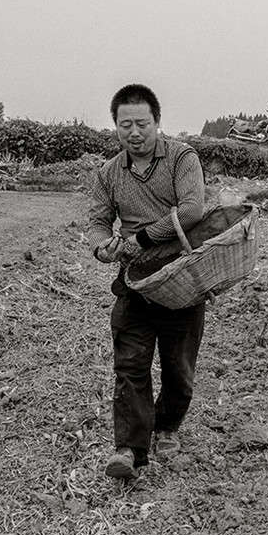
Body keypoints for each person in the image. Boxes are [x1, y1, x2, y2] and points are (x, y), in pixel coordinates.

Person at [86, 83, 206, 479]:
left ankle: (167, 425)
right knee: (131, 365)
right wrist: (102, 246)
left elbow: (191, 210)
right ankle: (130, 450)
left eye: (141, 124)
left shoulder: (181, 158)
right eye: (125, 126)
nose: (133, 133)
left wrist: (141, 238)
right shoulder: (108, 173)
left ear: (157, 122)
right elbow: (99, 222)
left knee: (179, 369)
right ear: (115, 127)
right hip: (135, 281)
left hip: (180, 279)